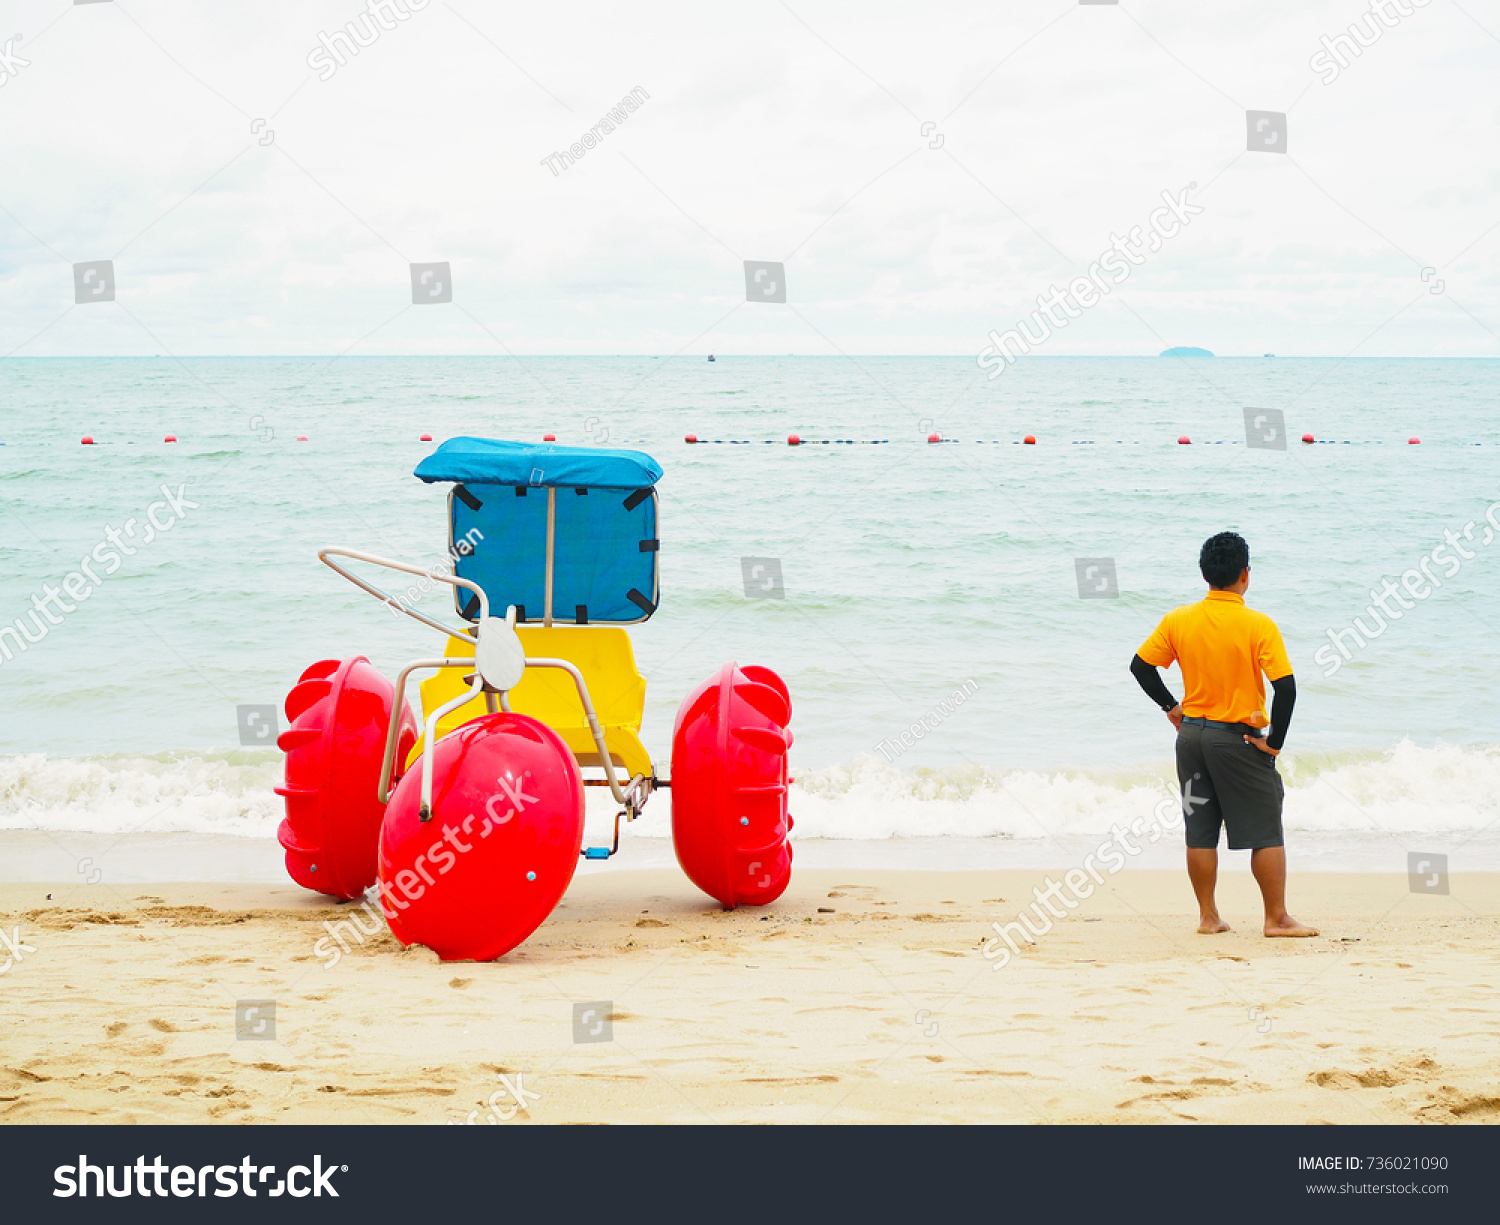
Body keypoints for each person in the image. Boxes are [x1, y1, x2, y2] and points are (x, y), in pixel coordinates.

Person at [1130, 531, 1318, 938]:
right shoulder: (1258, 624)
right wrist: (1275, 742)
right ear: (1245, 575)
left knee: (1199, 830)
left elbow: (1141, 667)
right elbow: (1285, 687)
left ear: (1204, 574)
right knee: (1265, 829)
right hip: (1237, 741)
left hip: (1192, 738)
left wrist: (1172, 707)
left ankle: (1208, 916)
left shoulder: (1178, 619)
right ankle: (1276, 918)